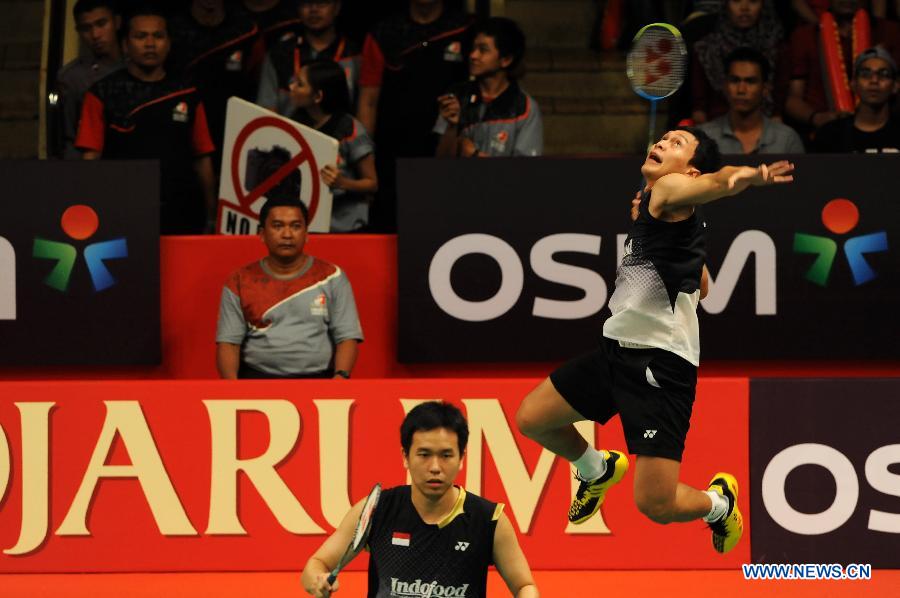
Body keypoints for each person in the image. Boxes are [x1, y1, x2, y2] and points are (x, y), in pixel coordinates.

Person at [516, 127, 795, 555]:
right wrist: (651, 226)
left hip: (659, 367)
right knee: (534, 418)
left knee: (656, 503)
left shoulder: (669, 189)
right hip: (616, 349)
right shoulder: (663, 210)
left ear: (690, 169)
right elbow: (703, 287)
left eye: (677, 143)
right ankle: (595, 469)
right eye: (663, 138)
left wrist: (750, 176)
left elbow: (718, 182)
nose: (663, 144)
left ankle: (718, 505)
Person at [301, 402, 539, 598]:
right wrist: (317, 580)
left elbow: (524, 586)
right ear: (406, 456)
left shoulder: (488, 520)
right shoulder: (377, 509)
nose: (435, 467)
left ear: (461, 458)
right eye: (424, 455)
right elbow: (317, 563)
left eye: (446, 455)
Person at [75, 5, 217, 235]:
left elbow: (203, 157)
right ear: (125, 45)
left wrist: (211, 216)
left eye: (158, 36)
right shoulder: (101, 93)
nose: (150, 44)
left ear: (169, 44)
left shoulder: (187, 92)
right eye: (141, 36)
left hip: (183, 212)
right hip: (123, 212)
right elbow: (91, 158)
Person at [216, 197, 363, 379]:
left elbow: (347, 337)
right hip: (257, 380)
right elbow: (229, 343)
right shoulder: (239, 280)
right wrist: (232, 390)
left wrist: (340, 378)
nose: (287, 234)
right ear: (262, 234)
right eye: (278, 226)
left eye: (295, 226)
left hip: (320, 381)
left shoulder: (333, 276)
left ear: (306, 233)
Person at [357, 0, 472, 231]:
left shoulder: (465, 28)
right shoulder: (383, 33)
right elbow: (368, 100)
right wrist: (363, 157)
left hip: (448, 151)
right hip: (393, 154)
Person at [785, 0, 900, 136]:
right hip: (823, 131)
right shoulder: (804, 36)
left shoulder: (891, 32)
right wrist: (818, 118)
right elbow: (792, 98)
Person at [435, 17, 543, 158]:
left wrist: (475, 155)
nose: (473, 55)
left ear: (506, 60)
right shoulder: (457, 96)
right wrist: (452, 127)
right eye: (473, 48)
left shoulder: (525, 108)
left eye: (483, 50)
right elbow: (440, 162)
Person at [289, 61, 377, 232]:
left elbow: (372, 184)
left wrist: (342, 182)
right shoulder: (295, 122)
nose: (291, 87)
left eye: (299, 84)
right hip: (306, 225)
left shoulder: (350, 129)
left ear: (317, 96)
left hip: (345, 228)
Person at [169, 0, 259, 165]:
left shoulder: (246, 29)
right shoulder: (172, 30)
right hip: (183, 130)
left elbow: (256, 82)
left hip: (235, 133)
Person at [257, 0, 362, 117]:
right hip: (286, 131)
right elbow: (266, 108)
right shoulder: (279, 54)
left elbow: (364, 107)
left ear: (337, 8)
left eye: (322, 3)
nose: (314, 9)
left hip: (338, 132)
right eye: (306, 3)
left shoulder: (355, 56)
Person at [690, 0, 786, 125]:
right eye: (736, 1)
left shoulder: (777, 46)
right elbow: (699, 111)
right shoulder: (706, 48)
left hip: (766, 128)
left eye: (753, 1)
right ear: (725, 5)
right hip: (715, 127)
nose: (744, 8)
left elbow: (779, 105)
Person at [699, 47, 805, 153]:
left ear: (765, 88)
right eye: (734, 80)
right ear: (725, 85)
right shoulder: (704, 137)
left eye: (750, 81)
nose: (741, 90)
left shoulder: (786, 139)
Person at [55, 0, 123, 160]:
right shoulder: (73, 77)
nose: (95, 35)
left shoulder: (138, 65)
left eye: (101, 24)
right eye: (86, 28)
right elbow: (70, 137)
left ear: (117, 22)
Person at [814, 46, 900, 151]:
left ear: (895, 85)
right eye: (865, 74)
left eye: (883, 74)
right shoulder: (829, 135)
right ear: (853, 83)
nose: (874, 80)